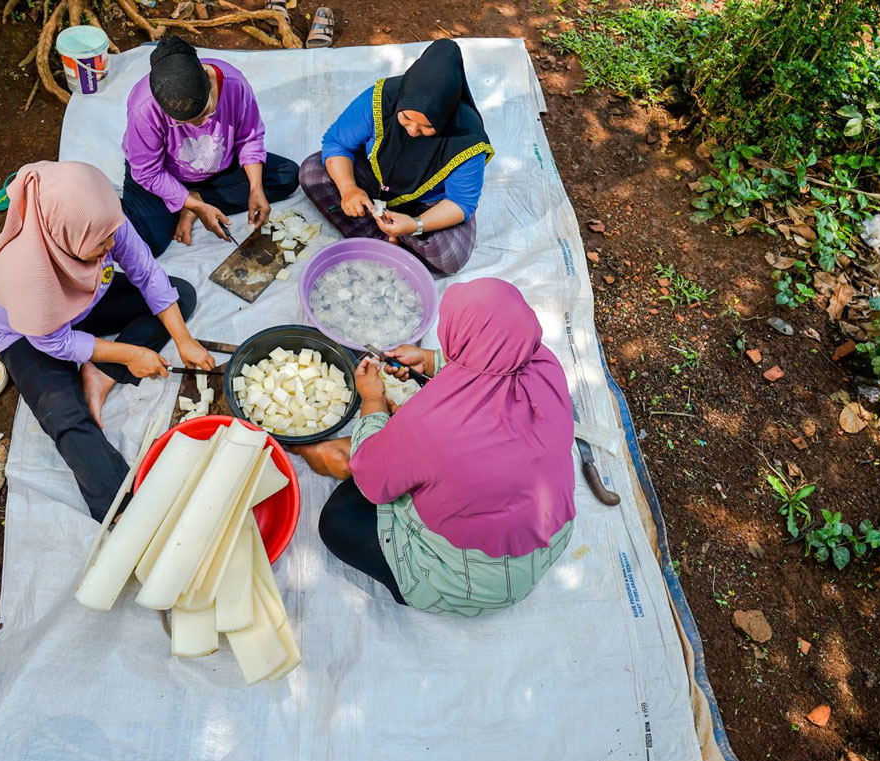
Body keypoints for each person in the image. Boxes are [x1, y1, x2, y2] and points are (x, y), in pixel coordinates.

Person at [293, 279, 576, 616]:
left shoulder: (430, 424)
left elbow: (372, 480)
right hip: (545, 541)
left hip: (471, 583)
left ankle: (424, 582)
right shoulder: (545, 364)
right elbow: (493, 362)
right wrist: (429, 361)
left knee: (339, 518)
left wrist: (373, 400)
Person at [0, 160, 215, 521]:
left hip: (85, 301)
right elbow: (55, 343)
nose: (111, 247)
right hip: (31, 334)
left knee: (178, 296)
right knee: (65, 416)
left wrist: (183, 340)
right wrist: (129, 353)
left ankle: (99, 373)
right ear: (65, 240)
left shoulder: (102, 223)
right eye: (100, 244)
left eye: (111, 235)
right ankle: (124, 509)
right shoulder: (25, 274)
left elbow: (146, 271)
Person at [299, 39, 493, 275]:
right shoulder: (380, 99)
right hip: (374, 181)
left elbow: (460, 203)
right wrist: (349, 188)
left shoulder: (467, 139)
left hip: (426, 204)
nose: (412, 131)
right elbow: (337, 143)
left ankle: (387, 236)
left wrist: (415, 225)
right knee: (311, 172)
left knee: (450, 255)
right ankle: (385, 239)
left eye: (427, 127)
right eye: (405, 119)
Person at [121, 36, 300, 256]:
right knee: (147, 242)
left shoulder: (235, 84)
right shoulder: (144, 108)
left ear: (207, 78)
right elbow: (147, 172)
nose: (200, 125)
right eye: (183, 123)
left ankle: (196, 200)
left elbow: (249, 137)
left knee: (287, 175)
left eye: (206, 112)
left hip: (217, 167)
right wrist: (191, 204)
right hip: (164, 175)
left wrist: (255, 188)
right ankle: (188, 202)